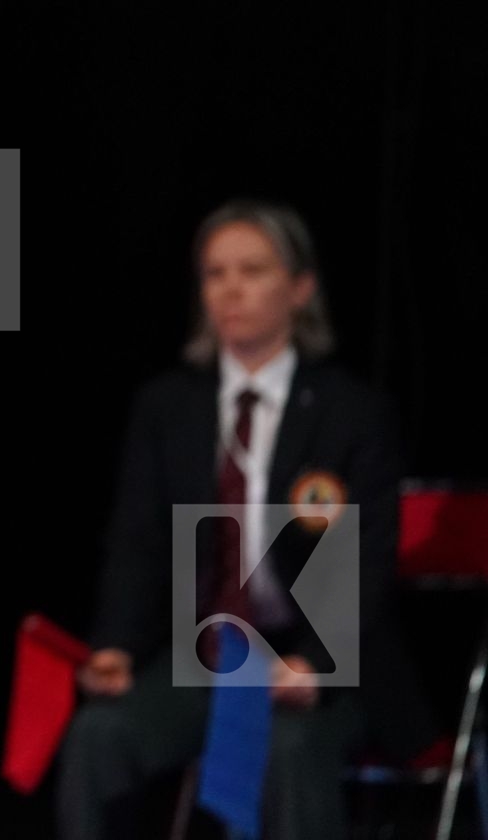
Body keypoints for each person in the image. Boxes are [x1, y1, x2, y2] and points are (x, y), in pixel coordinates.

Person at [57, 199, 430, 840]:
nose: (230, 289)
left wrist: (316, 662)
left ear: (300, 286)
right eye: (214, 273)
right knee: (100, 736)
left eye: (252, 270)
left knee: (288, 748)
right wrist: (115, 645)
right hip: (204, 659)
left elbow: (368, 557)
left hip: (322, 663)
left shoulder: (351, 413)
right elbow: (137, 541)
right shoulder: (169, 408)